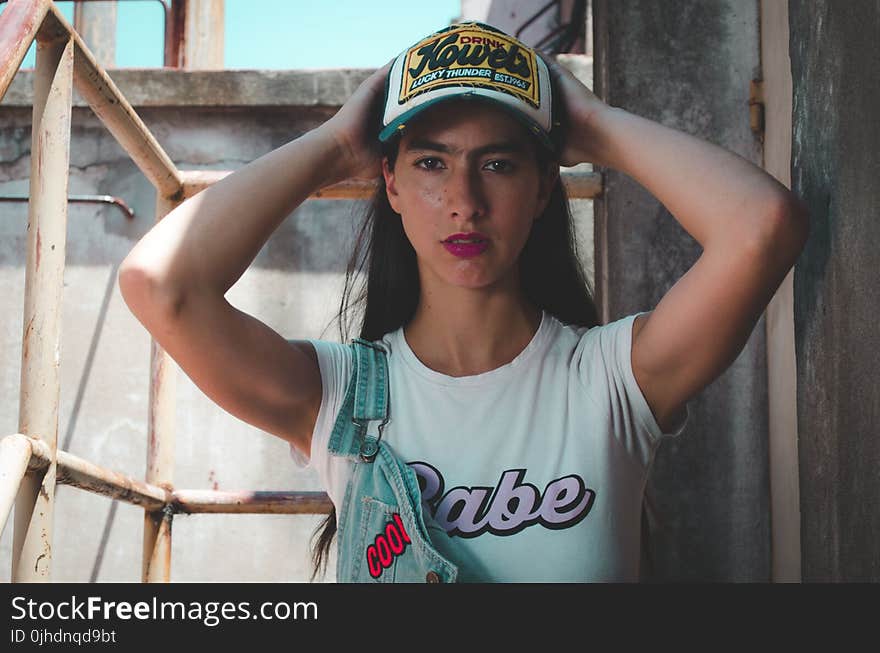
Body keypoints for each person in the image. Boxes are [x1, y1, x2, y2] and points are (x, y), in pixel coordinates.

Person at [119, 22, 809, 582]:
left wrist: (592, 125)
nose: (464, 202)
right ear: (389, 182)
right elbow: (159, 284)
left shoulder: (610, 380)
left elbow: (762, 227)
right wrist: (333, 146)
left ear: (544, 186)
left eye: (499, 164)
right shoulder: (339, 396)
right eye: (431, 163)